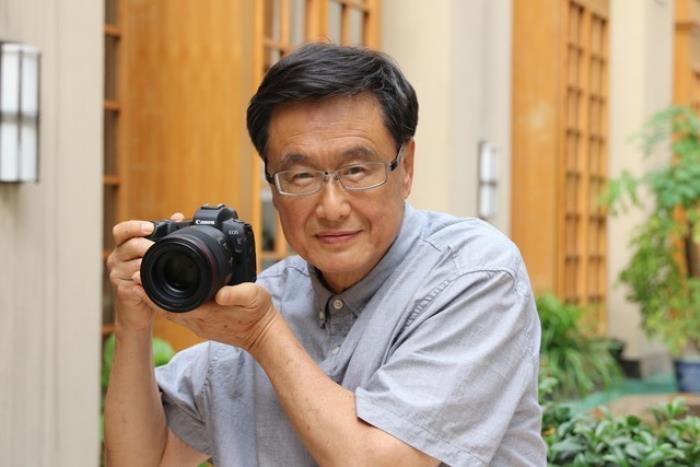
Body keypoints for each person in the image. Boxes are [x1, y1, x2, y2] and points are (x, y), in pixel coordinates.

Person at [105, 42, 546, 466]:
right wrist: (133, 326)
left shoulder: (474, 274)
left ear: (406, 167)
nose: (332, 208)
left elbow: (381, 463)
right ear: (272, 184)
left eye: (356, 170)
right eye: (300, 175)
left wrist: (264, 337)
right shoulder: (263, 297)